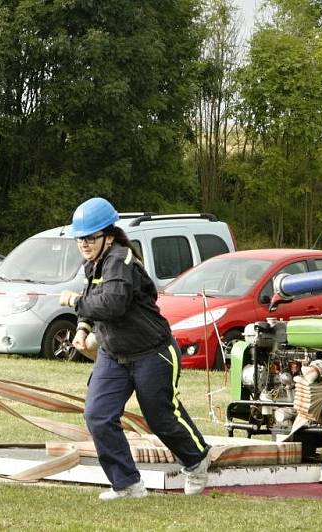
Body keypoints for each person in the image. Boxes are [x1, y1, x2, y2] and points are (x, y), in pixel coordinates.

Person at [59, 197, 211, 500]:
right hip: (114, 354)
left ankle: (196, 461)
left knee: (160, 417)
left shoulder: (121, 259)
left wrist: (75, 302)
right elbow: (94, 300)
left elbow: (113, 304)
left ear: (109, 235)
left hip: (152, 352)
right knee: (98, 415)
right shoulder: (95, 263)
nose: (84, 244)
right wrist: (82, 327)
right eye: (80, 238)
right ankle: (127, 484)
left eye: (90, 237)